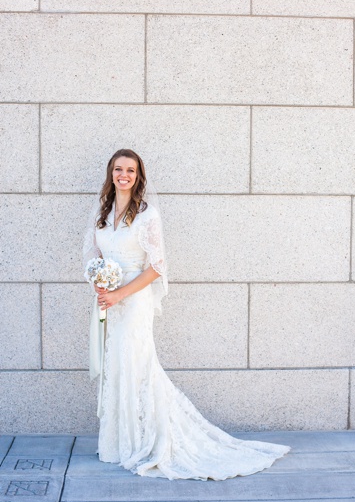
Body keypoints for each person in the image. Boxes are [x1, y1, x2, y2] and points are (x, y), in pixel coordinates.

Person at [83, 149, 289, 480]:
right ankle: (120, 442)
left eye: (130, 170)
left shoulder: (147, 215)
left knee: (136, 364)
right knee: (117, 365)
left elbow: (156, 268)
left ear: (138, 177)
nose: (124, 175)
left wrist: (120, 292)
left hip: (134, 301)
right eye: (118, 169)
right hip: (109, 299)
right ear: (110, 174)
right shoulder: (102, 214)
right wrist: (100, 284)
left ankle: (145, 440)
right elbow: (94, 254)